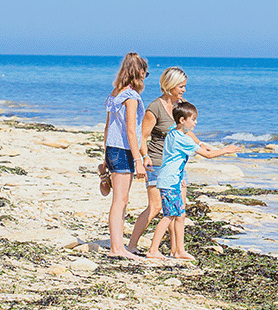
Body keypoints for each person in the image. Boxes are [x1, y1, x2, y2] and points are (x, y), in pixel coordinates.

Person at [146, 101, 242, 262]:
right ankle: (153, 250)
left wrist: (179, 177)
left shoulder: (173, 132)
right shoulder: (182, 140)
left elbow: (175, 155)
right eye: (193, 119)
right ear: (182, 120)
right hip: (169, 180)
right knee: (169, 216)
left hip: (173, 178)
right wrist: (226, 150)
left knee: (179, 213)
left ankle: (179, 250)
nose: (196, 122)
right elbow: (208, 155)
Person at [127, 66, 188, 254]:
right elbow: (142, 137)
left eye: (184, 86)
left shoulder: (182, 106)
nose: (184, 90)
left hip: (176, 165)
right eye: (181, 86)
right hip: (156, 162)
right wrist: (143, 158)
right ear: (170, 86)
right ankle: (132, 245)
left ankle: (177, 250)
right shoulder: (155, 108)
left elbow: (185, 135)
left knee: (180, 210)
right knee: (155, 207)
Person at [102, 52, 149, 257]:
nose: (145, 77)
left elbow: (107, 127)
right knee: (120, 200)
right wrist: (138, 159)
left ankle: (118, 245)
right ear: (139, 72)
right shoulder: (130, 97)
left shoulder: (115, 93)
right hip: (123, 150)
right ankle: (116, 248)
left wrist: (105, 154)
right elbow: (131, 130)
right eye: (145, 74)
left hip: (113, 148)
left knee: (122, 199)